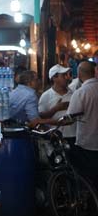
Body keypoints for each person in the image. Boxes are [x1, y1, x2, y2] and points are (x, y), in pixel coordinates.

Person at [67, 60, 98, 188]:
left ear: (79, 74)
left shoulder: (81, 92)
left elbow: (70, 117)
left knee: (88, 178)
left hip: (88, 143)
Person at [38, 64, 75, 143]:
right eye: (64, 75)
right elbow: (41, 116)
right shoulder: (46, 96)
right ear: (54, 78)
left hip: (73, 135)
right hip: (55, 136)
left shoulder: (74, 94)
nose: (67, 78)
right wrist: (56, 108)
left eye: (67, 75)